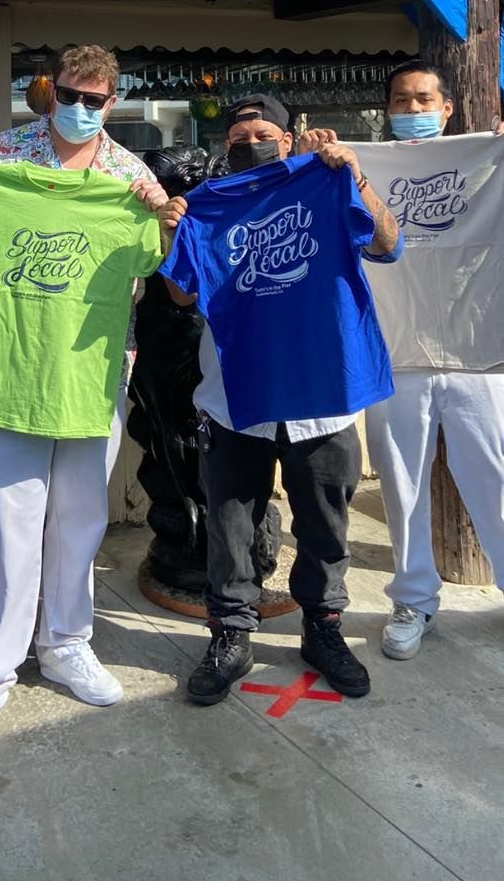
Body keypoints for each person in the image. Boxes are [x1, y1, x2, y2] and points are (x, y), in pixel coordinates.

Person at [0, 44, 167, 750]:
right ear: (48, 90)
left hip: (94, 371)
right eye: (70, 93)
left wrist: (161, 213)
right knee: (5, 519)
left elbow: (164, 266)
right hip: (8, 368)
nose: (81, 108)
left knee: (82, 518)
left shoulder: (129, 175)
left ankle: (65, 643)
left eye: (95, 99)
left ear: (112, 102)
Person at [159, 94, 403, 705]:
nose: (251, 144)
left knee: (326, 524)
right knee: (229, 525)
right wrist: (171, 234)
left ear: (289, 139)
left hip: (323, 396)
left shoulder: (327, 179)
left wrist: (355, 175)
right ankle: (231, 634)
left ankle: (323, 628)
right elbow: (183, 298)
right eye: (239, 139)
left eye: (262, 133)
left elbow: (387, 244)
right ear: (225, 148)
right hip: (235, 398)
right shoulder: (208, 207)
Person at [300, 61, 504, 659]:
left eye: (422, 101)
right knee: (402, 488)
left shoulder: (489, 159)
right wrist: (317, 153)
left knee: (495, 481)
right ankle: (413, 600)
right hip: (394, 351)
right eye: (400, 100)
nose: (411, 111)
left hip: (477, 354)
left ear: (447, 109)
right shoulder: (364, 165)